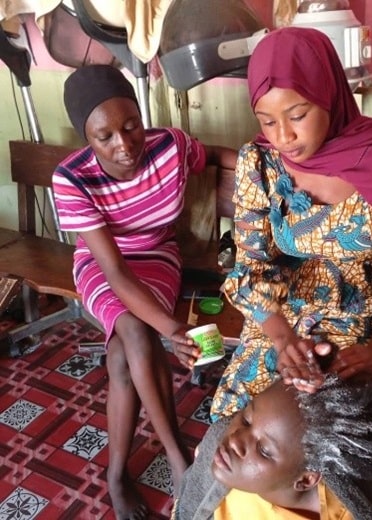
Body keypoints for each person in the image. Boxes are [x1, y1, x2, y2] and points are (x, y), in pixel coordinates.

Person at [172, 26, 372, 515]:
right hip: (279, 320)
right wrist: (280, 339)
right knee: (233, 426)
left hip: (359, 326)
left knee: (359, 457)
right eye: (267, 120)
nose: (284, 136)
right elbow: (251, 263)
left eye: (297, 115)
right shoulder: (261, 162)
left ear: (330, 95)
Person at [52, 64, 237, 520]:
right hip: (103, 264)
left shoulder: (170, 146)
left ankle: (116, 473)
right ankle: (178, 458)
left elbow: (212, 154)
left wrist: (261, 164)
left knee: (120, 356)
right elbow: (115, 271)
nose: (125, 144)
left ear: (140, 115)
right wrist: (172, 329)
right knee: (134, 331)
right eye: (105, 136)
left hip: (158, 256)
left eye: (131, 125)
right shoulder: (71, 178)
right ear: (86, 139)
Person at [173, 375, 372, 520]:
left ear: (305, 480)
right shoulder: (226, 457)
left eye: (264, 451)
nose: (235, 440)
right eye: (246, 419)